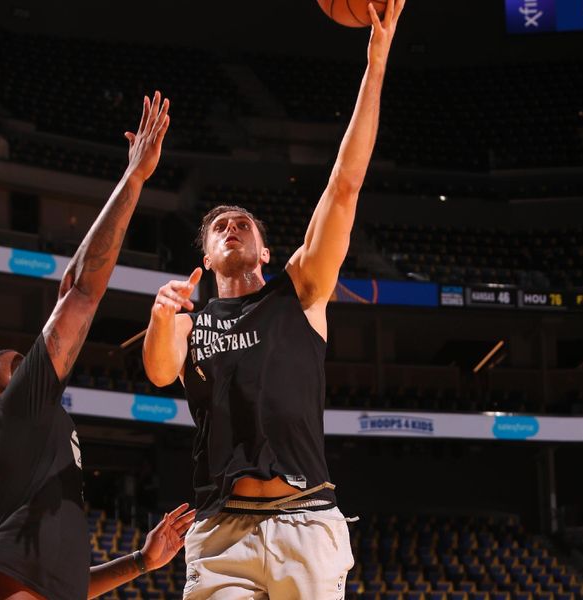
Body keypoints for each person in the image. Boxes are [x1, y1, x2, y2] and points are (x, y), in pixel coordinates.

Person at [142, 2, 406, 598]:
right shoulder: (193, 317)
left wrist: (376, 63)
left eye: (243, 224)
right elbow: (160, 372)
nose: (231, 226)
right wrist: (163, 316)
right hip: (221, 533)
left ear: (265, 251)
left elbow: (345, 182)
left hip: (305, 522)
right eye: (218, 227)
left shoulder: (301, 292)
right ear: (206, 257)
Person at [0, 92, 194, 600]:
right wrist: (134, 178)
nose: (32, 368)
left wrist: (140, 561)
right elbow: (80, 290)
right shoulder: (15, 413)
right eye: (18, 368)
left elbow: (64, 586)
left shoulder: (15, 463)